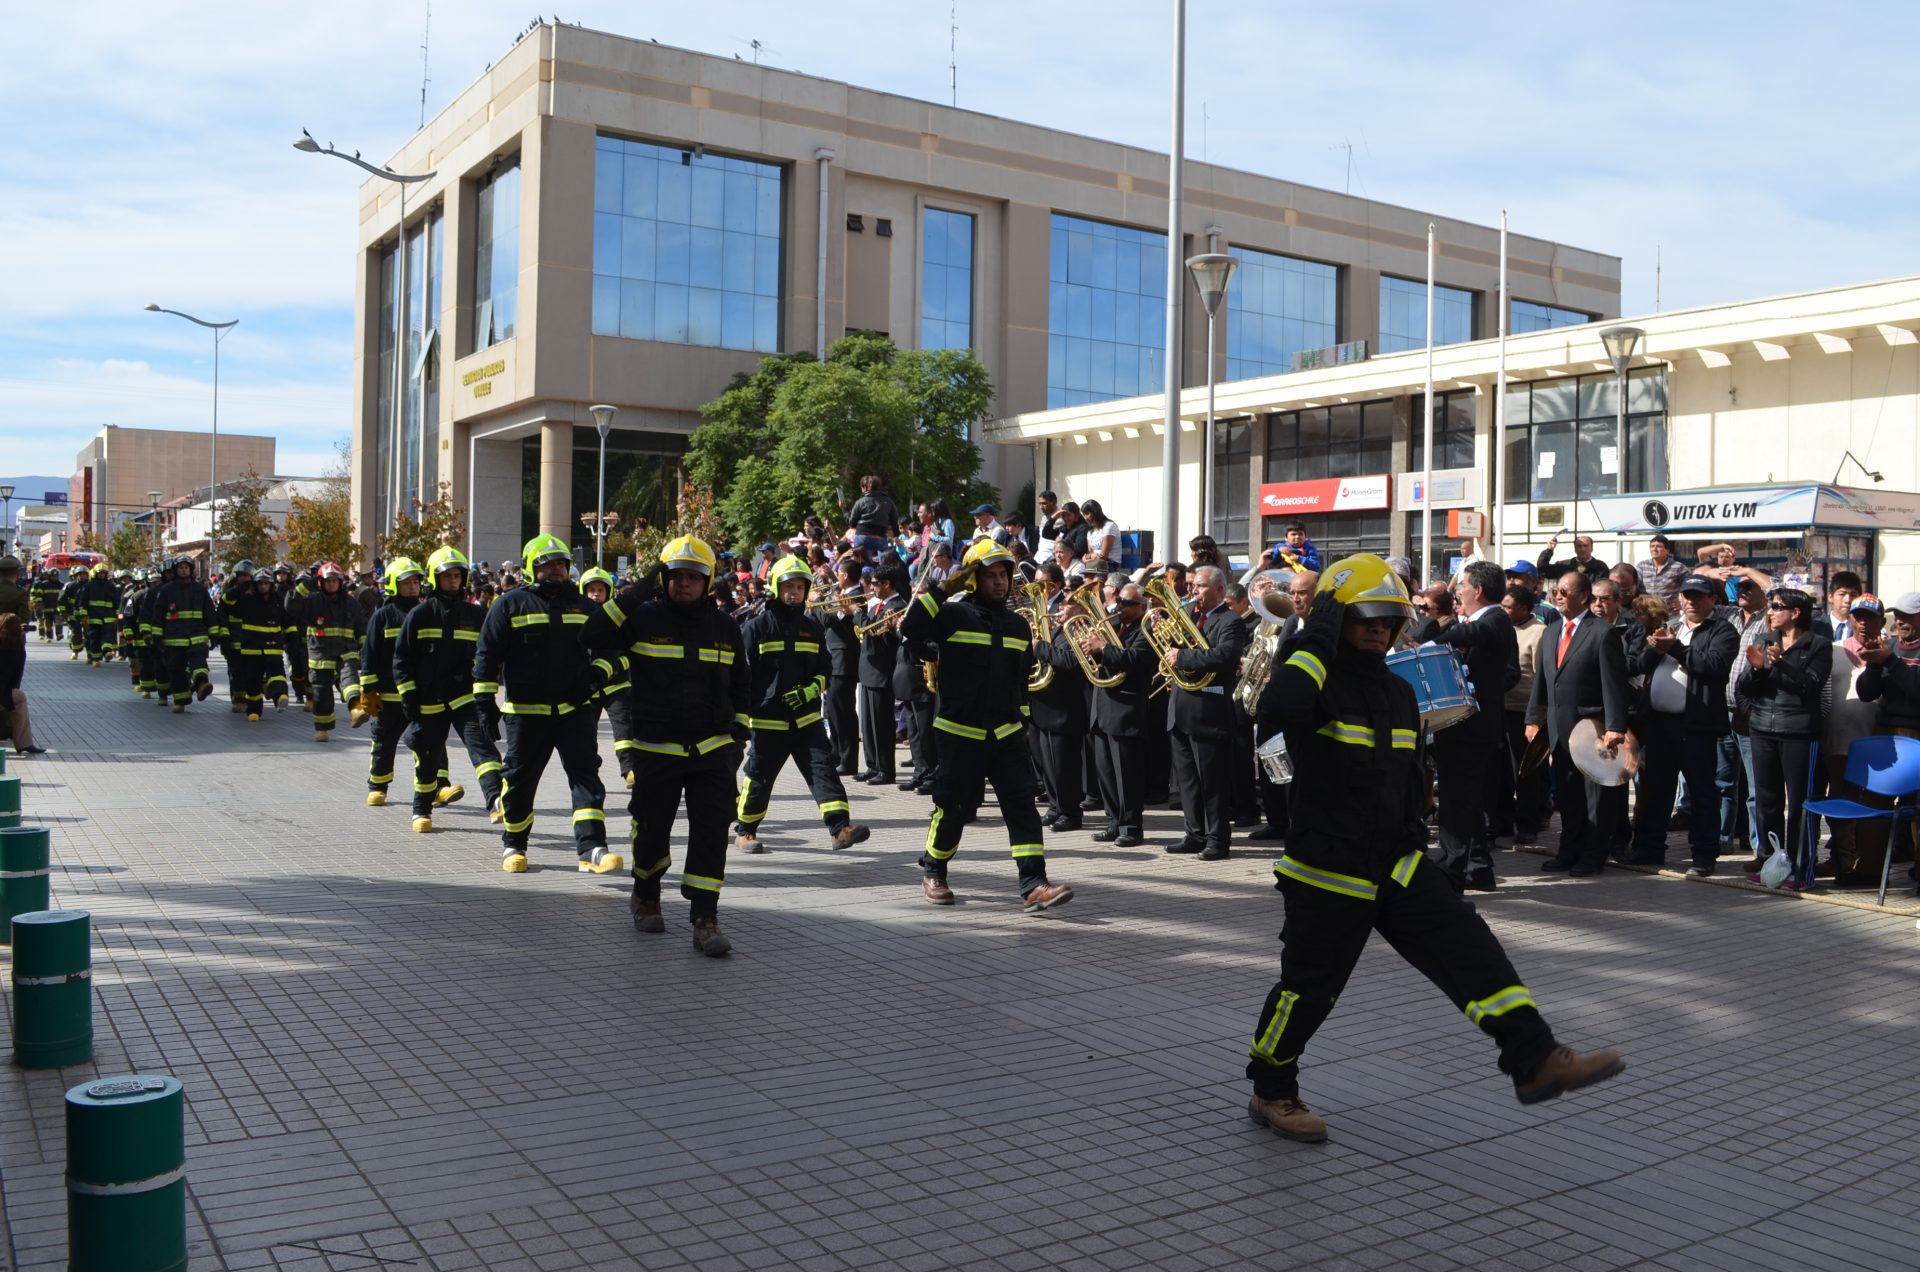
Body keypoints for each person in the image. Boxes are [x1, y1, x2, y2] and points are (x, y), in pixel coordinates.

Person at [1244, 553, 1624, 1142]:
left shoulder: (1398, 690)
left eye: (1387, 620)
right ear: (1336, 618)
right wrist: (1315, 639)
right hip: (1329, 867)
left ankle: (1535, 1057)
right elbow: (1278, 711)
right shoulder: (1313, 674)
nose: (1376, 629)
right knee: (1309, 990)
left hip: (1396, 860)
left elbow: (1406, 771)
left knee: (1472, 949)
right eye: (1363, 618)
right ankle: (1272, 1088)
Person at [589, 535, 747, 955]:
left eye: (693, 577)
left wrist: (739, 737)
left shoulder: (726, 627)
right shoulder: (643, 618)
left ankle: (705, 919)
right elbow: (593, 631)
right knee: (651, 833)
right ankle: (646, 894)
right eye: (674, 575)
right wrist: (636, 591)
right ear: (663, 578)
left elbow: (743, 687)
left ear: (708, 580)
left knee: (712, 834)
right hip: (656, 749)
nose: (683, 584)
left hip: (712, 750)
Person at [899, 539, 1072, 910]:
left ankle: (1033, 883)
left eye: (1003, 576)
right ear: (973, 579)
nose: (999, 583)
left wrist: (1022, 718)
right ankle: (934, 870)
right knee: (953, 807)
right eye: (990, 575)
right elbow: (911, 629)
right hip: (959, 733)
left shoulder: (1017, 625)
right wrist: (942, 588)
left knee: (1022, 805)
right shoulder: (952, 615)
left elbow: (1021, 677)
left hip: (1006, 734)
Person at [474, 535, 620, 876]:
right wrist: (484, 703)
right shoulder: (509, 604)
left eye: (561, 565)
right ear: (530, 568)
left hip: (575, 712)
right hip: (526, 716)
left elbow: (613, 651)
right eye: (547, 565)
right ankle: (515, 843)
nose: (556, 571)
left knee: (587, 780)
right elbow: (486, 657)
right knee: (520, 783)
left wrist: (596, 677)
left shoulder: (587, 607)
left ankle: (592, 848)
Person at [733, 555, 872, 853]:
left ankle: (840, 829)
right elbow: (742, 676)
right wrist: (741, 719)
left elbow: (825, 670)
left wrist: (811, 690)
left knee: (824, 771)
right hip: (768, 721)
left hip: (806, 720)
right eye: (788, 587)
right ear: (775, 587)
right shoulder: (756, 628)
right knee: (759, 778)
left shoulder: (812, 628)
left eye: (799, 586)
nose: (794, 592)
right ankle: (745, 831)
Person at [1625, 575, 1737, 876]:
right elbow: (1638, 665)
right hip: (1659, 723)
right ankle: (1649, 850)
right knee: (1654, 791)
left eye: (1698, 596)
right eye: (1687, 596)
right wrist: (1655, 648)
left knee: (1702, 793)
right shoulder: (1671, 625)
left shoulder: (1722, 630)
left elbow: (1712, 667)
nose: (1691, 602)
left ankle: (1703, 857)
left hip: (1695, 727)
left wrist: (1674, 648)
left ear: (1713, 599)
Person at [394, 547, 510, 836]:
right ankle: (421, 809)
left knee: (482, 747)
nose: (453, 581)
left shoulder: (475, 614)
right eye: (447, 576)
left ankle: (496, 801)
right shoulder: (420, 615)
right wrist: (408, 694)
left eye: (457, 575)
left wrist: (487, 698)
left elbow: (489, 655)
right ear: (434, 578)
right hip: (428, 698)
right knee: (428, 755)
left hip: (463, 696)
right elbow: (402, 658)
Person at [1525, 570, 1630, 876]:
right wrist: (1534, 718)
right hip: (1560, 729)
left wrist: (1615, 726)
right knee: (1568, 796)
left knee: (1595, 798)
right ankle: (1568, 851)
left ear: (1583, 596)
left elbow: (1614, 684)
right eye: (1555, 590)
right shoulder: (1551, 631)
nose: (1557, 596)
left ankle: (1593, 855)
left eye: (1564, 591)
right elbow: (1542, 682)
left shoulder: (1602, 632)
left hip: (1592, 729)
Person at [1425, 561, 1520, 891]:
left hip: (1472, 729)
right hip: (1465, 727)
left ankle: (1452, 868)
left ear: (1478, 590)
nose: (1457, 592)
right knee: (1465, 798)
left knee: (1457, 802)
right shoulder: (1488, 620)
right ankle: (1479, 867)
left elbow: (1468, 633)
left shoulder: (1493, 619)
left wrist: (1429, 646)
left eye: (1461, 586)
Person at [1738, 588, 1832, 888]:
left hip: (1800, 733)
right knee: (1767, 800)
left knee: (1801, 803)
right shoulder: (1766, 639)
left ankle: (1801, 867)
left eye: (1778, 607)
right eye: (1770, 606)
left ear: (1796, 613)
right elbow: (1745, 687)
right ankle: (1770, 862)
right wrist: (1756, 671)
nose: (1771, 612)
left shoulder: (1818, 645)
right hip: (1763, 729)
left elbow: (1810, 687)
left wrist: (1779, 664)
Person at [1161, 564, 1252, 862]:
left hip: (1209, 712)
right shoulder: (1188, 616)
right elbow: (1168, 649)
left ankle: (1217, 840)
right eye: (1192, 586)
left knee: (1212, 782)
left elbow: (1225, 657)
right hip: (1181, 709)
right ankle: (1194, 833)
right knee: (1187, 781)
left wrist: (1183, 655)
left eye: (1199, 586)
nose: (1193, 591)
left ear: (1219, 590)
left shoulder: (1231, 621)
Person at [1823, 594, 1889, 885]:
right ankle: (1842, 861)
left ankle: (1867, 866)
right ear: (1850, 619)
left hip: (1876, 748)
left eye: (1871, 617)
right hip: (1837, 744)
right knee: (1839, 803)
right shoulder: (1833, 650)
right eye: (1859, 616)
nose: (1864, 623)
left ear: (1881, 622)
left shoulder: (1890, 655)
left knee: (1871, 809)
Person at [357, 558, 424, 808]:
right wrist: (368, 689)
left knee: (428, 742)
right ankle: (378, 786)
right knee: (383, 742)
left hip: (419, 694)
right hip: (388, 695)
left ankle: (436, 787)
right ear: (394, 585)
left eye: (416, 581)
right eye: (406, 582)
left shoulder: (426, 612)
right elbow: (370, 654)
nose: (412, 587)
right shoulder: (383, 616)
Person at [1492, 585, 1551, 845]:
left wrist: (1539, 716)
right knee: (1501, 771)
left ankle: (1528, 823)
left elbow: (1543, 677)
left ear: (1525, 609)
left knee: (1525, 772)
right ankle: (1502, 821)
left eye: (1508, 607)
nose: (1503, 611)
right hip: (1499, 708)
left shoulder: (1539, 632)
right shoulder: (1501, 628)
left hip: (1524, 712)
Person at [286, 563, 365, 743]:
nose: (331, 584)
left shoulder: (351, 603)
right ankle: (322, 728)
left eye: (334, 581)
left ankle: (356, 710)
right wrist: (307, 585)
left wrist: (365, 649)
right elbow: (291, 605)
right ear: (320, 583)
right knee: (322, 694)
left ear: (341, 582)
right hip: (320, 655)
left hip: (346, 652)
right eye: (327, 581)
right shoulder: (312, 601)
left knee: (350, 680)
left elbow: (362, 628)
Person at [153, 558, 216, 711]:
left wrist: (215, 633)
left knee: (199, 663)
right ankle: (181, 701)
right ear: (176, 570)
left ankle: (201, 685)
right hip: (174, 639)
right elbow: (158, 615)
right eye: (180, 567)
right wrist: (157, 636)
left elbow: (209, 612)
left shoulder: (199, 589)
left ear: (191, 570)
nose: (183, 570)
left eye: (186, 567)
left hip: (197, 636)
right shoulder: (167, 590)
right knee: (177, 671)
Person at [820, 559, 863, 776]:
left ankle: (848, 760)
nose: (836, 576)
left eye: (838, 572)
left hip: (844, 659)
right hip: (834, 659)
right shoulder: (840, 594)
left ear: (845, 575)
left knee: (844, 712)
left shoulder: (856, 596)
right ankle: (836, 753)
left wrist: (819, 600)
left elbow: (828, 621)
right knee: (834, 711)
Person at [0, 614, 44, 755]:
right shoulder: (16, 650)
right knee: (19, 697)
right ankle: (24, 743)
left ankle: (25, 743)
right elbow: (15, 681)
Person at [845, 475, 899, 558]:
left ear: (866, 487)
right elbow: (894, 521)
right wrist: (897, 535)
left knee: (863, 564)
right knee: (885, 564)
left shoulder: (860, 502)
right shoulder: (888, 501)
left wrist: (845, 511)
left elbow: (852, 523)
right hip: (880, 536)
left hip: (863, 537)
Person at [1534, 535, 1609, 586]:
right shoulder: (1564, 565)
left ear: (1592, 548)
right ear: (1575, 548)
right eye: (1579, 546)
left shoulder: (1600, 567)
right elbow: (1542, 569)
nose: (1582, 549)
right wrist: (1549, 550)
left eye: (1585, 546)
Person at [1636, 534, 1688, 603]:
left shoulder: (1678, 567)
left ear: (1667, 551)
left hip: (1669, 612)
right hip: (1646, 611)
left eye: (1658, 546)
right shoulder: (1642, 566)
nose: (1654, 549)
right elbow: (1634, 586)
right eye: (1652, 546)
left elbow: (1688, 585)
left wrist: (1681, 603)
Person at [1821, 571, 1864, 641]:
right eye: (1842, 594)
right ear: (1831, 597)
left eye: (1853, 595)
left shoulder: (1864, 630)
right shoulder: (1818, 627)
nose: (1847, 600)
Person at [1080, 500, 1121, 571]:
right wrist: (1091, 556)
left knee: (1090, 576)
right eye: (1084, 514)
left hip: (1110, 564)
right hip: (1095, 563)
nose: (1085, 518)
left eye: (1087, 514)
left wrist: (1089, 557)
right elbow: (1089, 553)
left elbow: (1103, 556)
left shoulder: (1109, 526)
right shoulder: (1090, 531)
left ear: (1095, 512)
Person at [31, 567, 63, 642]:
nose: (54, 578)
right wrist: (39, 604)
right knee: (48, 623)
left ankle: (59, 634)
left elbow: (63, 596)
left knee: (58, 621)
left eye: (56, 576)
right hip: (46, 607)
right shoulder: (43, 585)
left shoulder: (61, 585)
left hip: (57, 607)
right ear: (49, 576)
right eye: (53, 576)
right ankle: (49, 637)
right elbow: (38, 595)